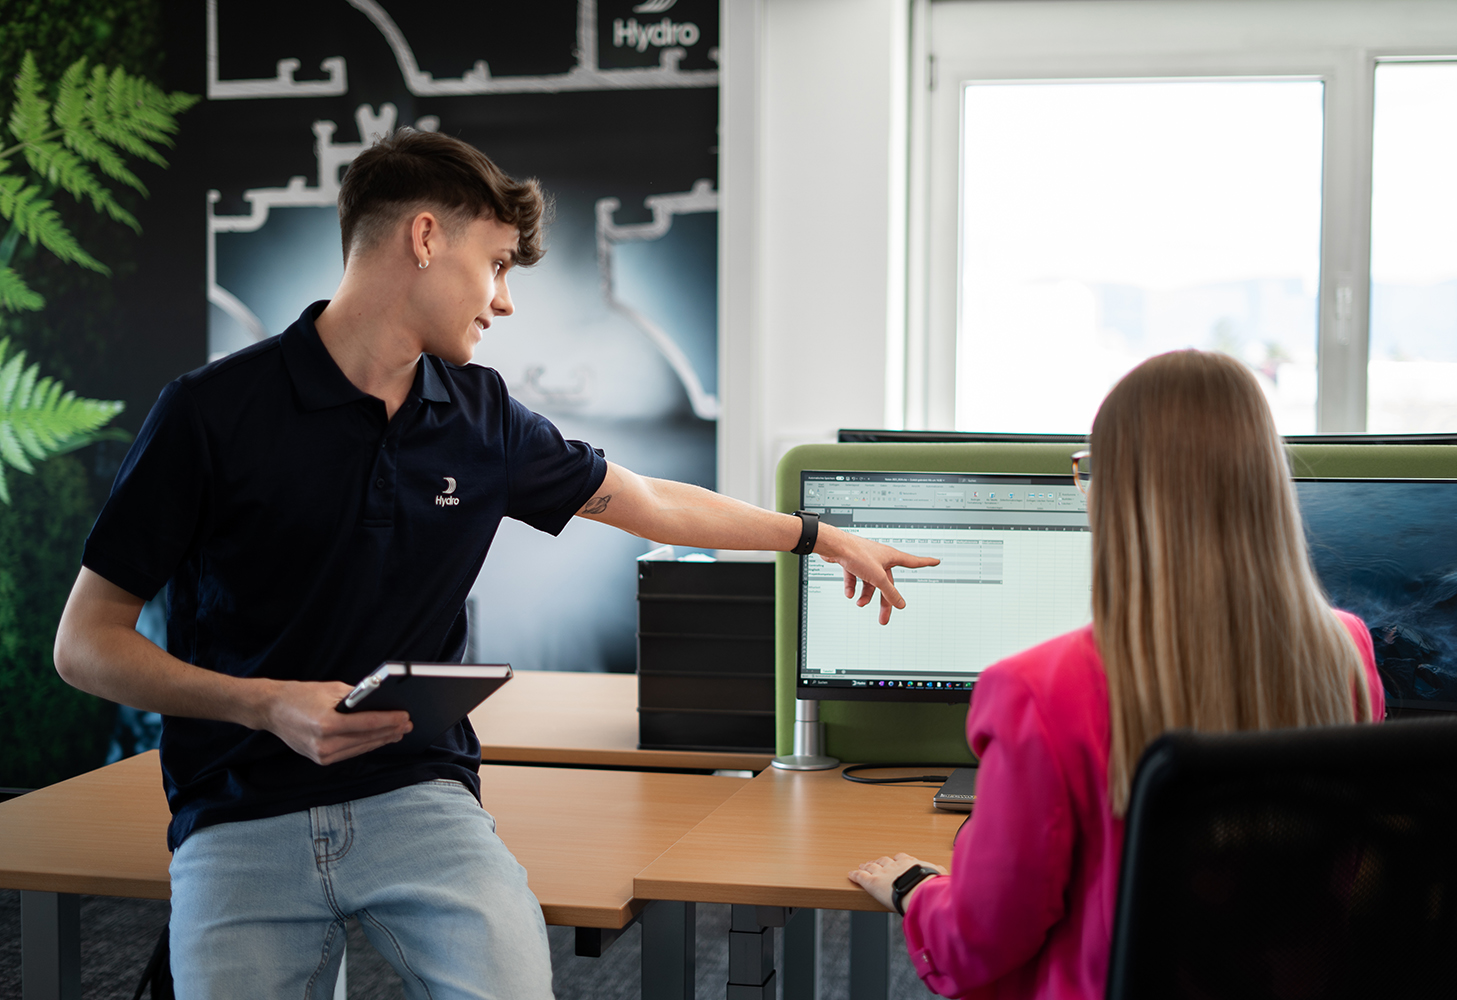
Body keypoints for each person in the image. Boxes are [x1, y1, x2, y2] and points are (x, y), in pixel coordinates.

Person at [52, 127, 938, 1000]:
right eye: (500, 263)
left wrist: (820, 537)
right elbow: (85, 644)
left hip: (417, 795)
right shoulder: (208, 413)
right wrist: (266, 704)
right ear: (426, 237)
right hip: (239, 807)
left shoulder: (481, 415)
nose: (505, 301)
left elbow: (651, 500)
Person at [848, 349, 1384, 1000]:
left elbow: (980, 940)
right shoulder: (1346, 652)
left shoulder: (1040, 691)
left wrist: (918, 891)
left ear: (1121, 493)